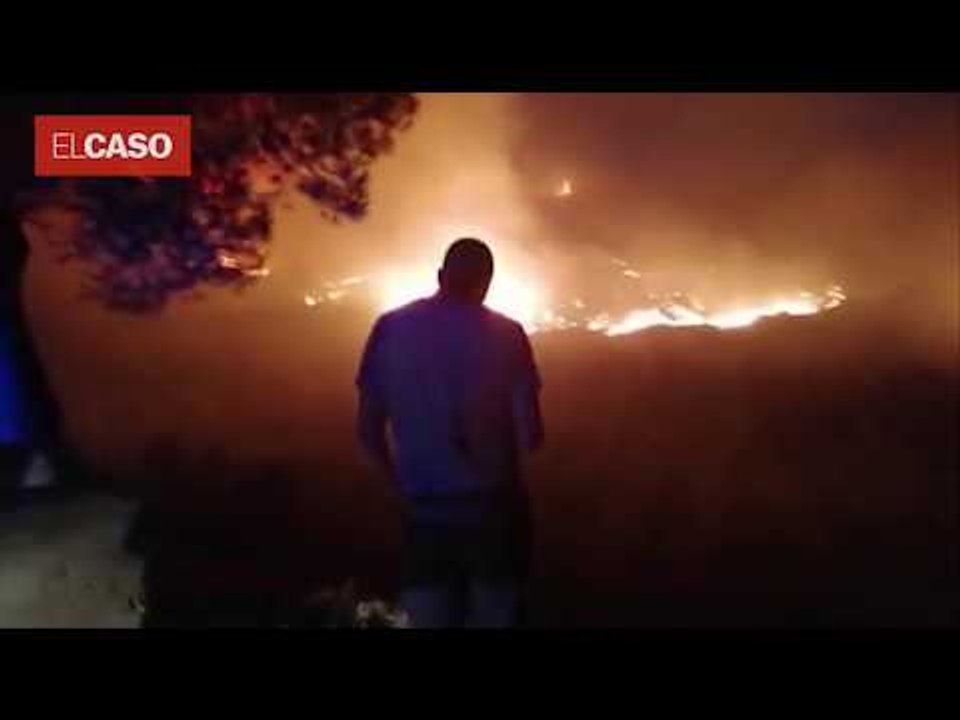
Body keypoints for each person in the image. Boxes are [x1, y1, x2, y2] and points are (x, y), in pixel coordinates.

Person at [356, 238, 544, 628]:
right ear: (488, 282)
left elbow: (368, 432)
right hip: (492, 512)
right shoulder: (508, 335)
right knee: (496, 614)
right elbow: (531, 436)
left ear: (440, 276)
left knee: (427, 616)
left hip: (423, 512)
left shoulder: (389, 328)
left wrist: (399, 490)